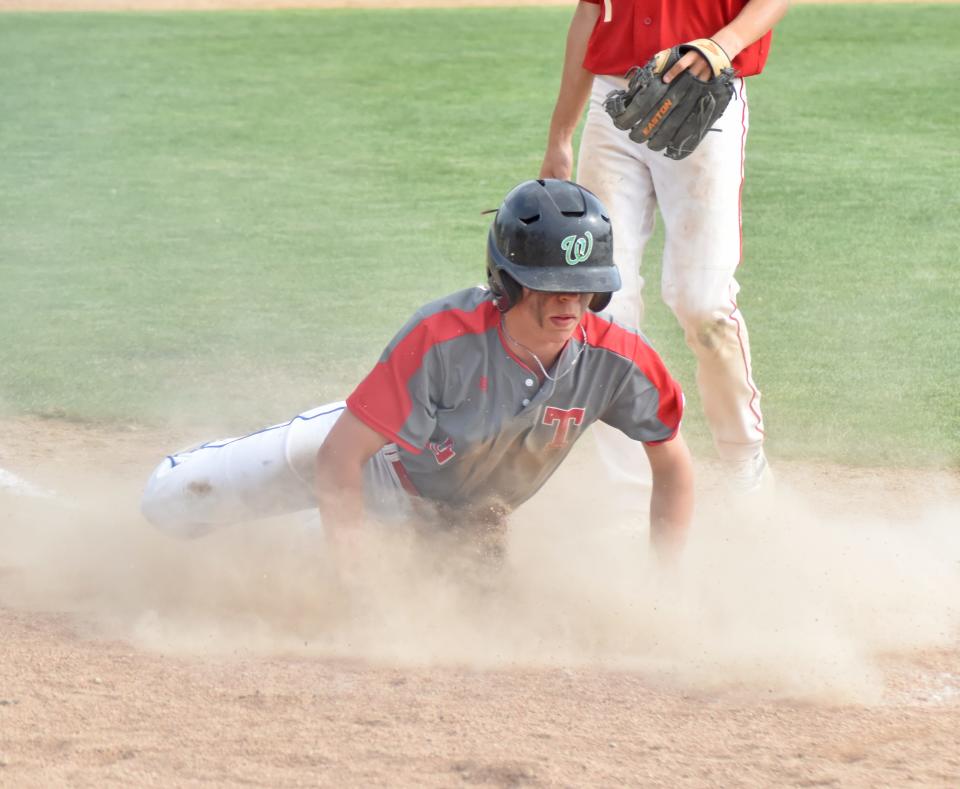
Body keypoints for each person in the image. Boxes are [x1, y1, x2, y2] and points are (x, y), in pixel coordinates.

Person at [141, 180, 694, 568]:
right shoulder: (442, 337)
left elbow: (672, 465)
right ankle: (231, 480)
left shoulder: (619, 360)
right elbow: (340, 456)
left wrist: (666, 582)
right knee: (169, 504)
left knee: (439, 615)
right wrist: (355, 583)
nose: (568, 304)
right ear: (507, 279)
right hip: (366, 456)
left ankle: (305, 532)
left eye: (583, 286)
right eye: (548, 284)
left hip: (455, 524)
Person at [540, 0, 789, 493]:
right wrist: (560, 136)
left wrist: (723, 45)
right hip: (616, 105)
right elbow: (589, 14)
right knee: (603, 302)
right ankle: (627, 491)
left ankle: (744, 462)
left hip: (705, 100)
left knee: (703, 302)